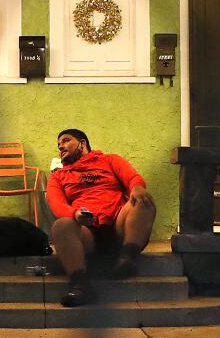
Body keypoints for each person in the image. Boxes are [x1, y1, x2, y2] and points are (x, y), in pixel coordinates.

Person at [45, 127, 155, 307]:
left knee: (143, 201)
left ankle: (126, 259)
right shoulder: (58, 176)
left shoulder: (109, 160)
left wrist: (136, 187)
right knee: (61, 226)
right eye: (58, 145)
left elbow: (133, 177)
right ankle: (81, 286)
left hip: (119, 225)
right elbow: (56, 203)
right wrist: (75, 214)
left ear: (82, 144)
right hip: (88, 231)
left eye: (65, 141)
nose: (61, 147)